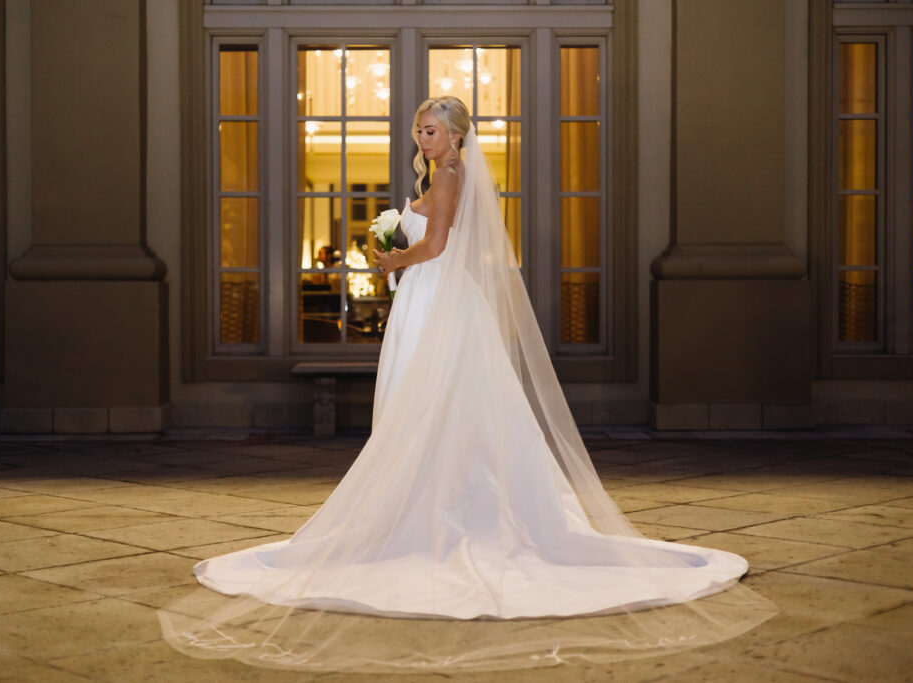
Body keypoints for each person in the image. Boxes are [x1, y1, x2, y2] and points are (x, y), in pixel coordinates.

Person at [158, 96, 775, 674]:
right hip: (430, 300)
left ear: (455, 135)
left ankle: (452, 511)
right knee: (423, 407)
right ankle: (426, 504)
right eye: (418, 131)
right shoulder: (436, 176)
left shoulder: (449, 177)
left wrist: (390, 259)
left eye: (430, 130)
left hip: (440, 300)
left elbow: (437, 244)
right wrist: (396, 251)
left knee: (442, 405)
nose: (421, 139)